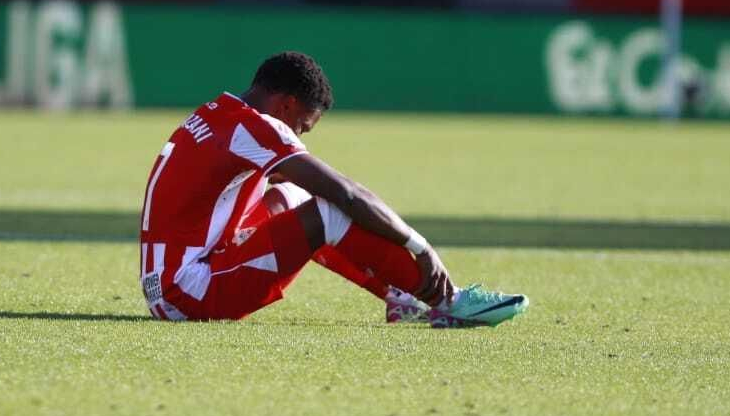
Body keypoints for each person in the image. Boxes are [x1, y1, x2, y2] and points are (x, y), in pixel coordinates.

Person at [138, 51, 528, 328]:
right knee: (327, 210)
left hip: (169, 283)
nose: (299, 134)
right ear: (287, 105)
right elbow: (347, 195)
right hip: (188, 293)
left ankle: (399, 298)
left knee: (298, 194)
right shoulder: (259, 128)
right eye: (303, 126)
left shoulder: (219, 112)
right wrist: (420, 247)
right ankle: (449, 301)